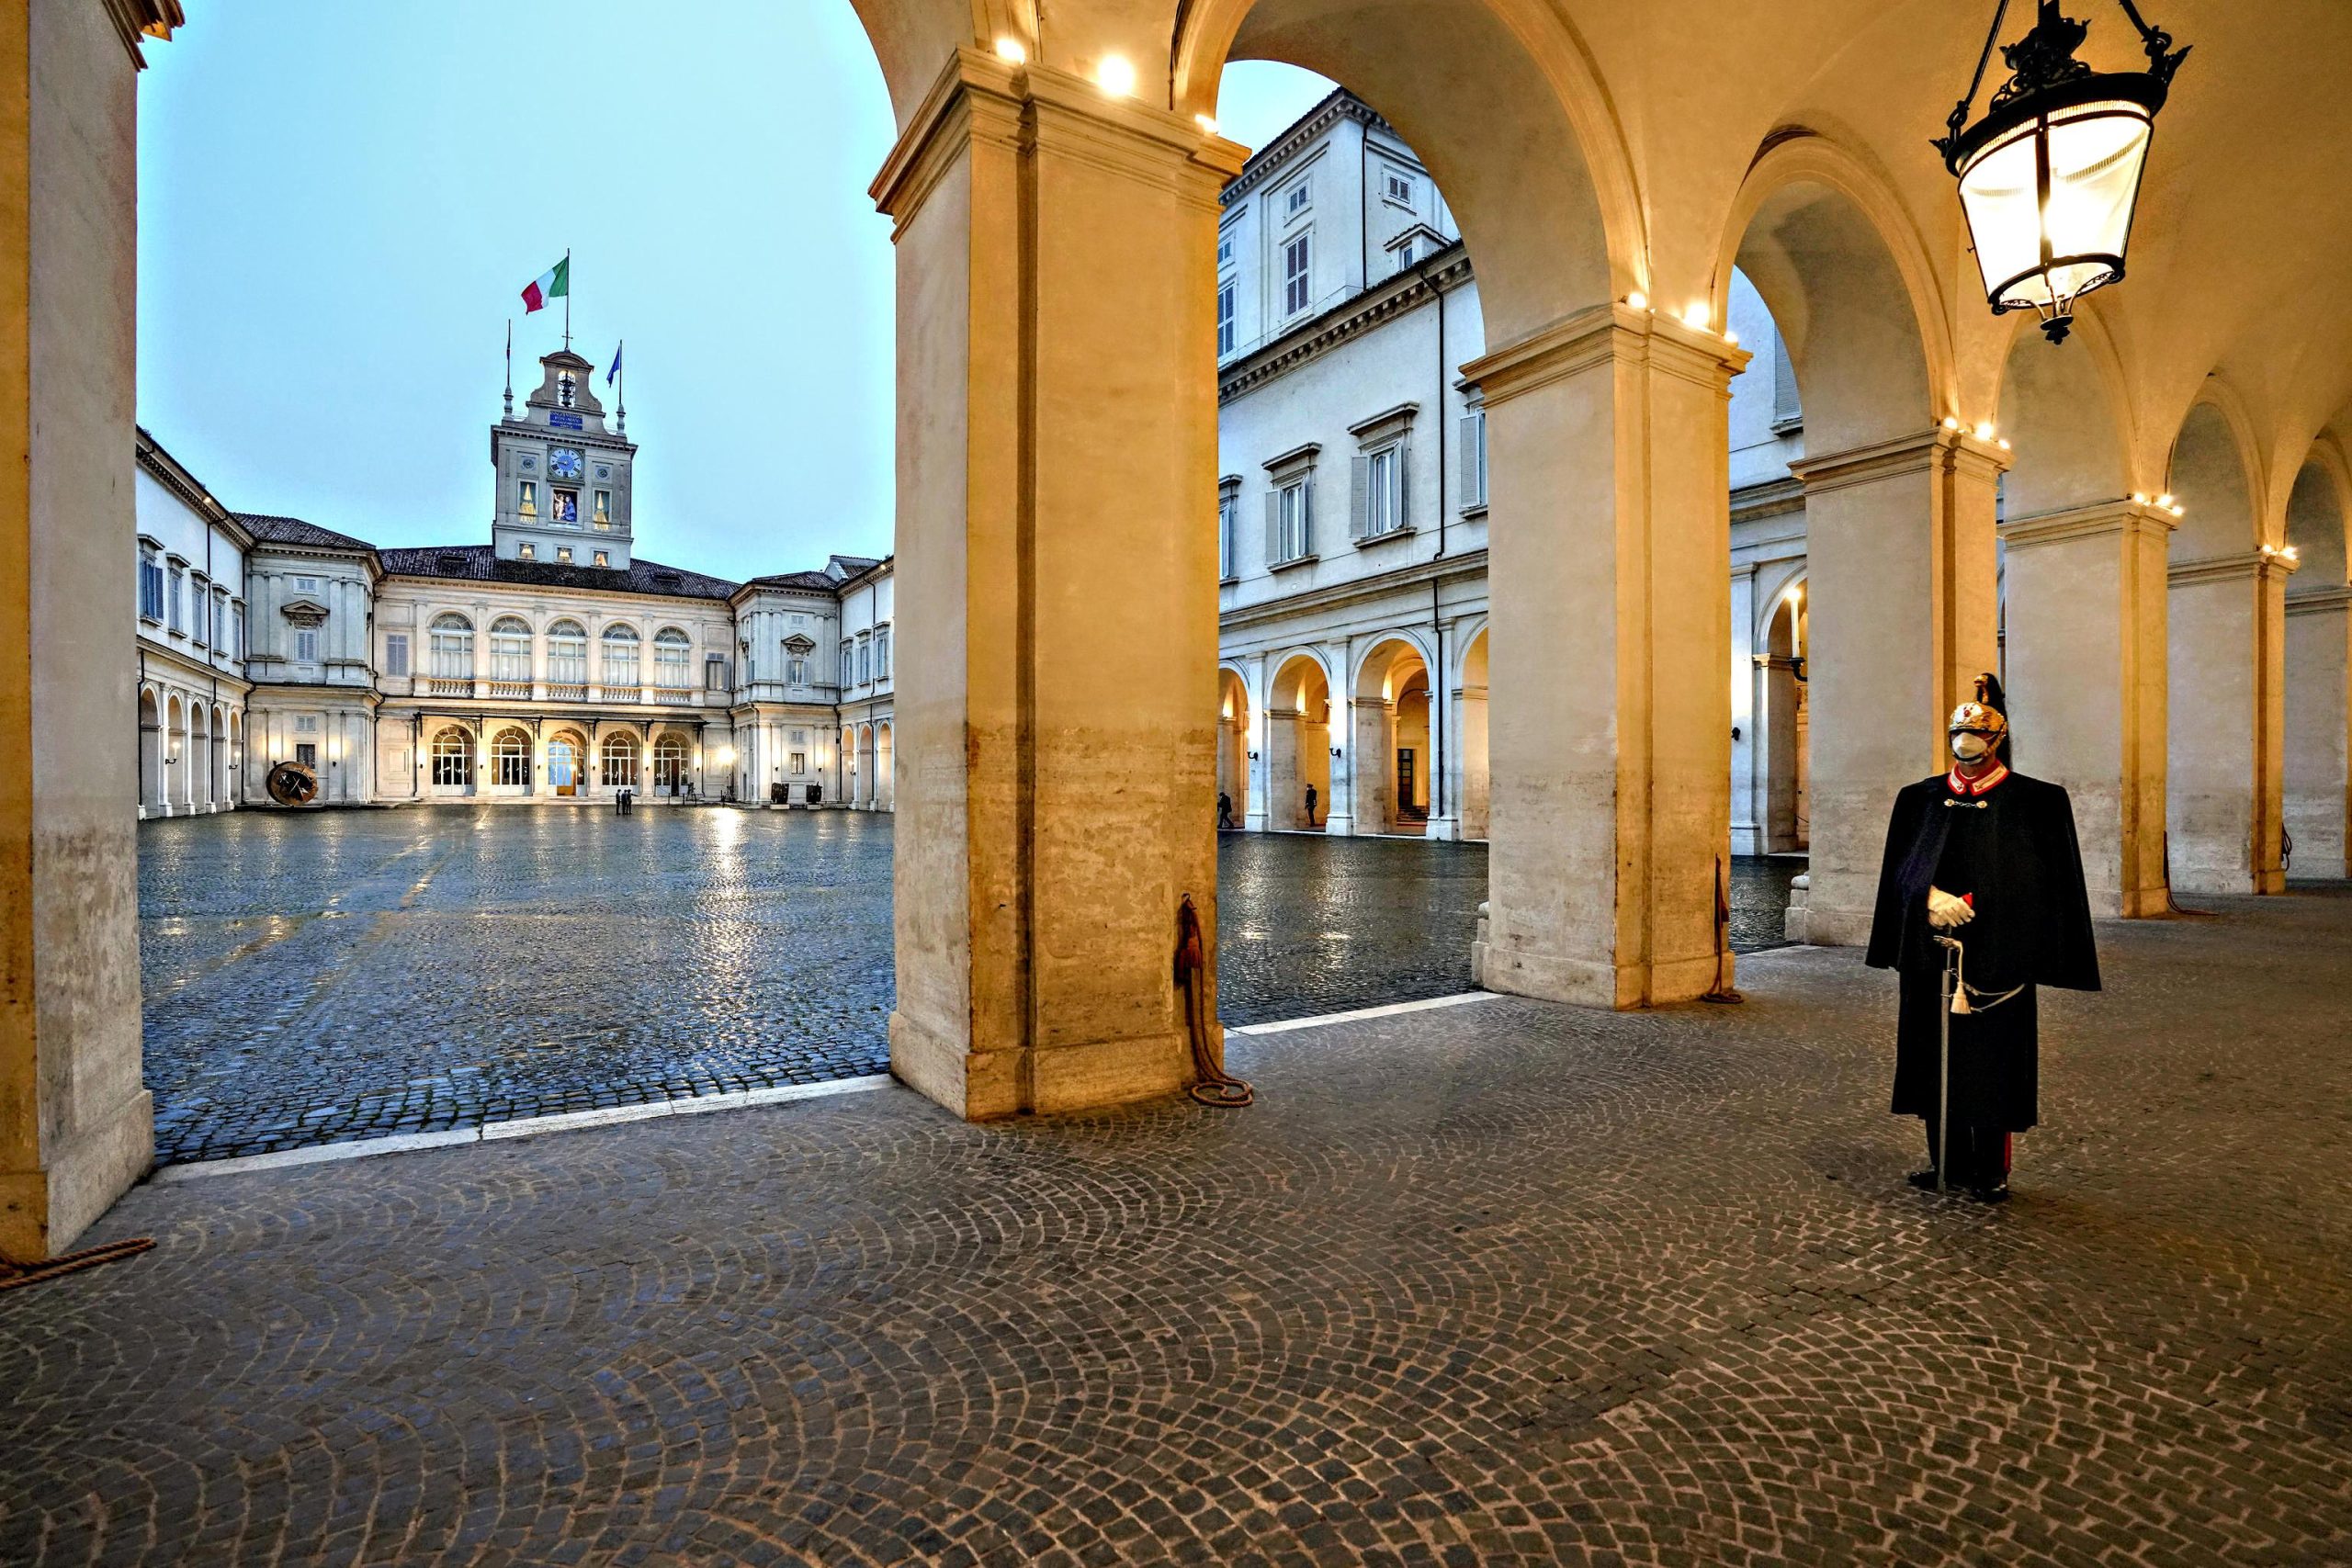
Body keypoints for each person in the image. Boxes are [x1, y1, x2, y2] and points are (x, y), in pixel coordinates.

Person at [1865, 674, 2098, 1201]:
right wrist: (1926, 896)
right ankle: (1945, 1158)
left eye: (1977, 739)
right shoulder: (1919, 799)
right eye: (1957, 737)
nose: (1965, 747)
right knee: (1933, 1059)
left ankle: (1989, 1167)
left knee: (1992, 1061)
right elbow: (1898, 871)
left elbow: (2045, 884)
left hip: (1996, 958)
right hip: (1931, 957)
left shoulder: (2036, 802)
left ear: (1998, 741)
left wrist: (1973, 906)